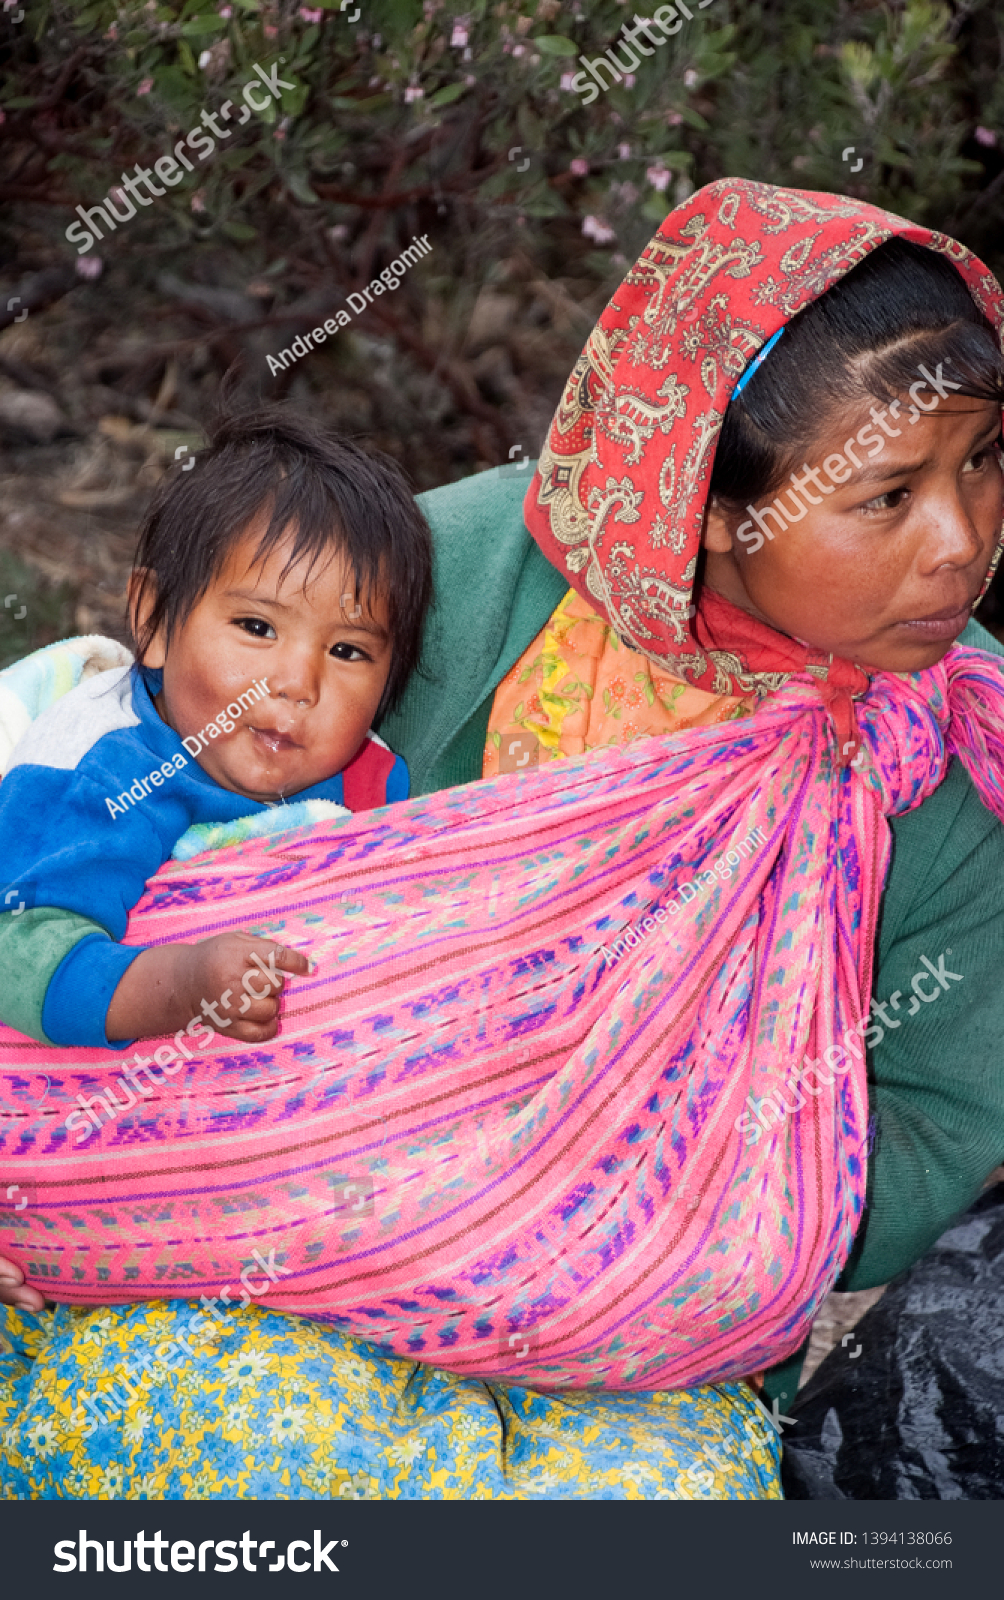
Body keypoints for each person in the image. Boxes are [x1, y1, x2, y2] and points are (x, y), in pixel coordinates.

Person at [2, 178, 1004, 1501]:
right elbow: (145, 835)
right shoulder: (451, 579)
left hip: (643, 1308)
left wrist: (644, 1205)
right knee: (270, 1452)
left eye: (985, 459)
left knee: (640, 1514)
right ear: (707, 497)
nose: (963, 542)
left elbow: (940, 1110)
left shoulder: (955, 754)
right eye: (886, 496)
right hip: (290, 1227)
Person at [0, 407, 428, 1051]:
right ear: (155, 622)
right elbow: (20, 956)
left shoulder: (369, 775)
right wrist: (186, 985)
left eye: (347, 652)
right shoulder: (107, 773)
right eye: (258, 627)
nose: (298, 683)